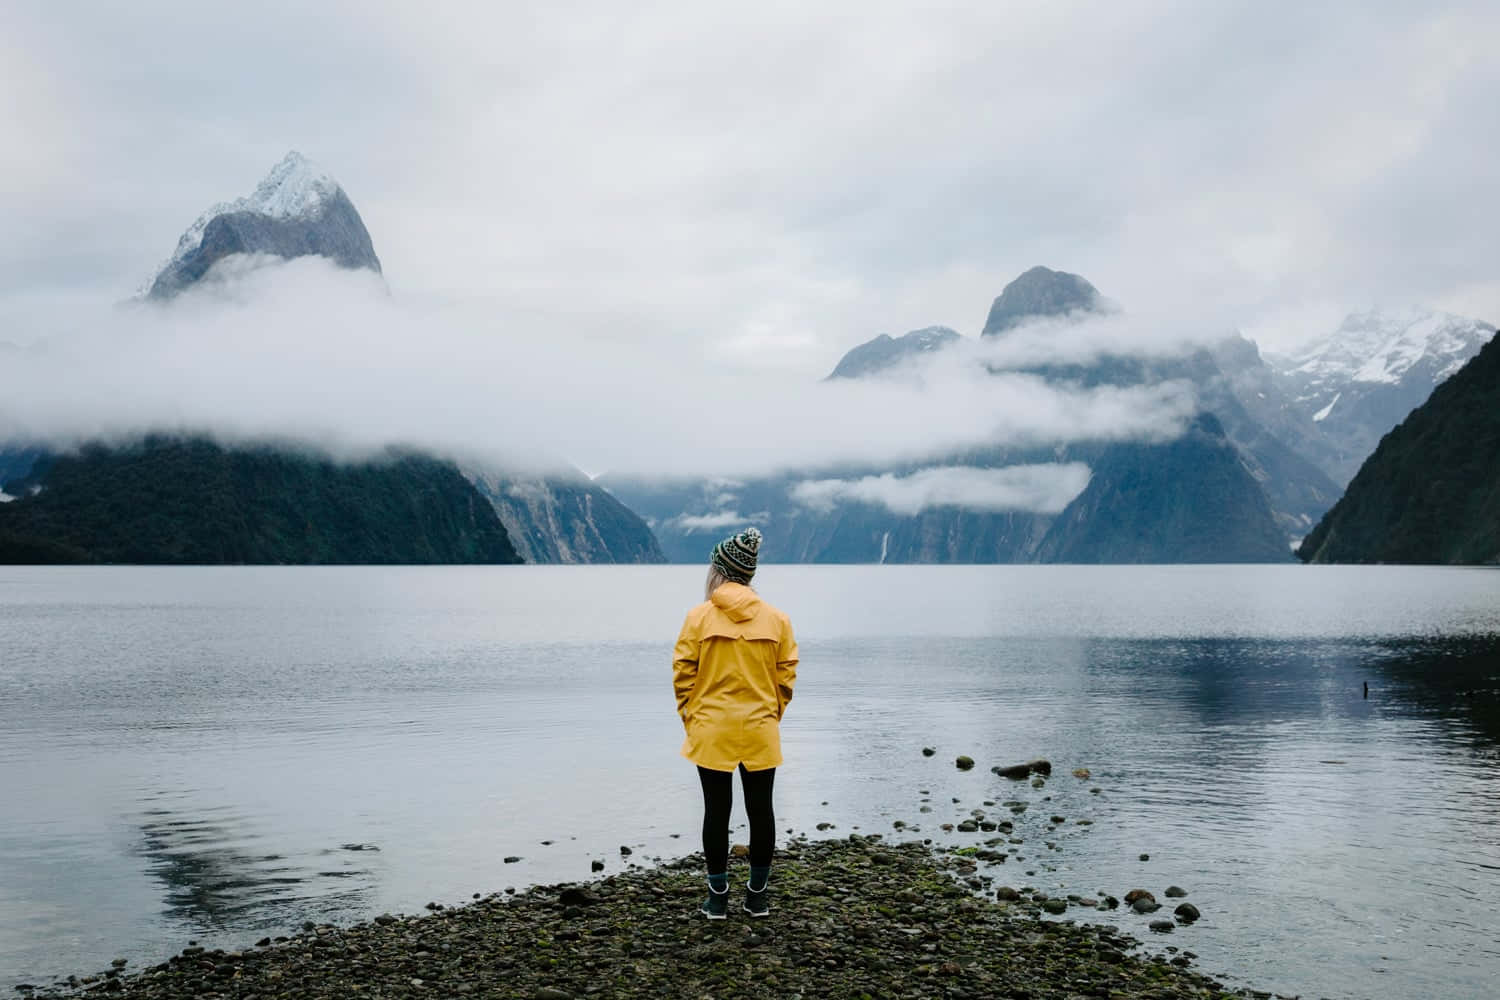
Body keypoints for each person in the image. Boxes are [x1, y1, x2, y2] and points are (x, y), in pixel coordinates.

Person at [672, 526, 798, 919]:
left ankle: (717, 897)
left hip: (712, 728)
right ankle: (757, 897)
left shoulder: (699, 616)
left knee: (716, 811)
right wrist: (771, 712)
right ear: (749, 574)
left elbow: (683, 673)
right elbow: (786, 674)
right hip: (760, 727)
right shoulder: (777, 620)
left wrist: (692, 717)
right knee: (762, 811)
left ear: (719, 571)